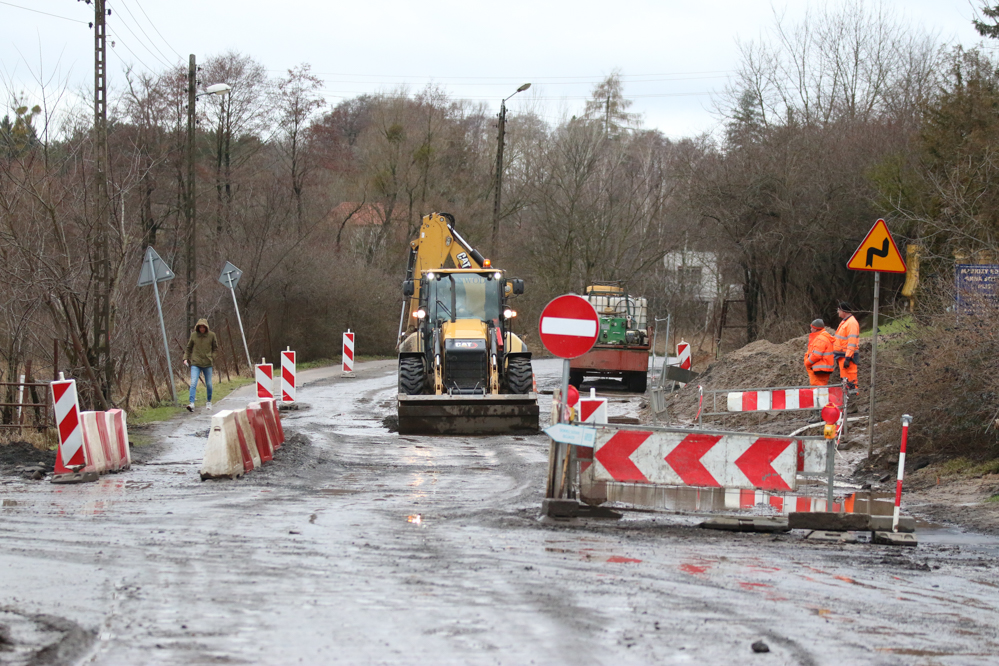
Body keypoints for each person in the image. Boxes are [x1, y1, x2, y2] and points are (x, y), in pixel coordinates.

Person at [184, 318, 219, 412]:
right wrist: (185, 358)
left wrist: (212, 357)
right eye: (200, 327)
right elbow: (188, 348)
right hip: (196, 363)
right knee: (193, 382)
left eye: (204, 327)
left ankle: (208, 402)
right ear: (198, 327)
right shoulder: (194, 335)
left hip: (207, 363)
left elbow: (216, 348)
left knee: (209, 384)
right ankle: (191, 403)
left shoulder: (212, 335)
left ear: (206, 327)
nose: (202, 329)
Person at [833, 302, 860, 394]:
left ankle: (852, 404)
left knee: (850, 381)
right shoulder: (846, 321)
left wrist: (848, 358)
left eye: (838, 310)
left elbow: (852, 342)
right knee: (845, 381)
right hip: (843, 357)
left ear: (843, 311)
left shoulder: (851, 323)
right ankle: (849, 404)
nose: (837, 312)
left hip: (848, 358)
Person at [804, 318, 835, 386]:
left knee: (817, 390)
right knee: (821, 389)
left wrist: (807, 363)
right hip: (822, 368)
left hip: (819, 369)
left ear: (815, 328)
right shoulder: (823, 337)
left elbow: (816, 355)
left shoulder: (820, 339)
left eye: (811, 328)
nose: (811, 329)